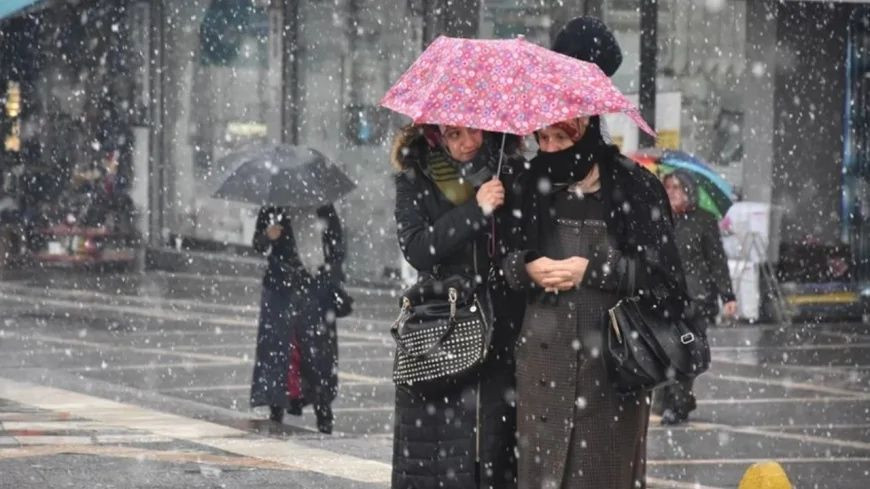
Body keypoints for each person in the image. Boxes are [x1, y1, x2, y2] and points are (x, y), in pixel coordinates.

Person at [502, 116, 689, 489]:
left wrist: (594, 270)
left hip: (611, 367)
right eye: (543, 138)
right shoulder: (527, 185)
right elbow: (502, 266)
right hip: (541, 369)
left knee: (602, 474)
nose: (550, 148)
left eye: (560, 137)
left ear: (586, 129)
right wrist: (525, 268)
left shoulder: (634, 187)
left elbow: (665, 280)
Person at [390, 124, 525, 489]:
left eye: (474, 132)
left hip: (501, 326)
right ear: (435, 136)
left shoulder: (508, 171)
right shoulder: (416, 178)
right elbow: (418, 248)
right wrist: (476, 209)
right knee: (439, 453)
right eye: (454, 135)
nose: (468, 143)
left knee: (494, 449)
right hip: (442, 325)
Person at [249, 203, 345, 434]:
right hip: (281, 292)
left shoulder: (323, 207)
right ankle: (277, 409)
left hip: (315, 291)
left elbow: (337, 248)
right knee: (280, 352)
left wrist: (326, 273)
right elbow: (258, 244)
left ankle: (323, 413)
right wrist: (268, 236)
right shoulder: (273, 209)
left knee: (317, 356)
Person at [659, 170, 737, 424]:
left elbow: (717, 261)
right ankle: (678, 400)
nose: (671, 192)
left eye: (677, 187)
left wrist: (728, 295)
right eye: (668, 187)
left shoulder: (703, 220)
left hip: (696, 299)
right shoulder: (659, 218)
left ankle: (677, 403)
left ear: (689, 191)